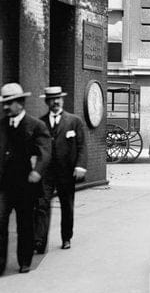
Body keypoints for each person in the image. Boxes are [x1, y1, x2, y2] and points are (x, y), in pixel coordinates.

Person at [0, 83, 51, 275]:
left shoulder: (36, 126)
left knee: (25, 224)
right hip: (4, 185)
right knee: (0, 222)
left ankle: (24, 261)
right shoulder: (2, 126)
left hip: (26, 185)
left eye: (9, 103)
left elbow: (45, 152)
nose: (5, 107)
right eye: (4, 103)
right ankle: (0, 263)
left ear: (20, 102)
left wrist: (37, 170)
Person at [34, 86, 88, 252]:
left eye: (58, 99)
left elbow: (82, 146)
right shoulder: (40, 122)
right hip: (47, 173)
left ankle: (66, 238)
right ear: (47, 102)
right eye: (52, 99)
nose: (55, 102)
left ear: (62, 100)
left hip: (66, 172)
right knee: (42, 205)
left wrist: (80, 166)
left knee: (67, 205)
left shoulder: (74, 121)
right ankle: (39, 242)